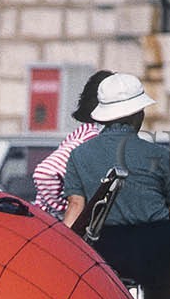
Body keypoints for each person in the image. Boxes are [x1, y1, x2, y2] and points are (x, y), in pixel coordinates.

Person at [61, 73, 170, 299]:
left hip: (107, 253)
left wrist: (59, 247)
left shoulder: (79, 155)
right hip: (158, 250)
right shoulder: (160, 156)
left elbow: (75, 209)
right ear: (138, 114)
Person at [31, 69, 111, 219]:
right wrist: (65, 209)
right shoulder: (90, 138)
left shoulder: (84, 133)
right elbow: (45, 173)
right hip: (54, 224)